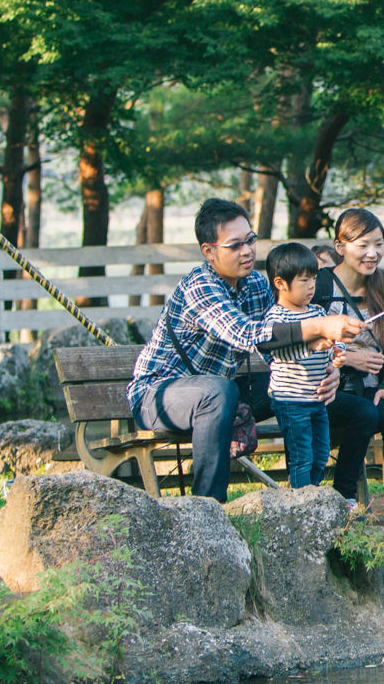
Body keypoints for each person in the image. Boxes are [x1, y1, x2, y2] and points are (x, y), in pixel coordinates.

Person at [127, 198, 362, 502]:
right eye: (235, 245)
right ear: (209, 251)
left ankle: (303, 494)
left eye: (250, 240)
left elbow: (277, 342)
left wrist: (327, 365)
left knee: (304, 383)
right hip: (159, 395)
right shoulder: (199, 286)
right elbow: (249, 335)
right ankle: (208, 510)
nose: (248, 250)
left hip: (219, 392)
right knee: (218, 391)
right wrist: (320, 326)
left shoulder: (255, 284)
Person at [317, 208, 384, 523]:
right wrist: (347, 356)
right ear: (340, 246)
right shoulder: (319, 285)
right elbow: (303, 338)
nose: (372, 253)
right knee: (365, 413)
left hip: (372, 386)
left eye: (379, 244)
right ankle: (345, 497)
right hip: (326, 386)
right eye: (362, 245)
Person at [262, 241, 337, 491]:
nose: (312, 286)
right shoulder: (276, 318)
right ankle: (300, 504)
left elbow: (334, 342)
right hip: (290, 400)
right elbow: (281, 351)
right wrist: (314, 346)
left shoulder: (317, 311)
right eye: (304, 280)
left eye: (314, 278)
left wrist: (338, 352)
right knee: (301, 457)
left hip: (317, 399)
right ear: (281, 283)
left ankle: (312, 496)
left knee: (321, 453)